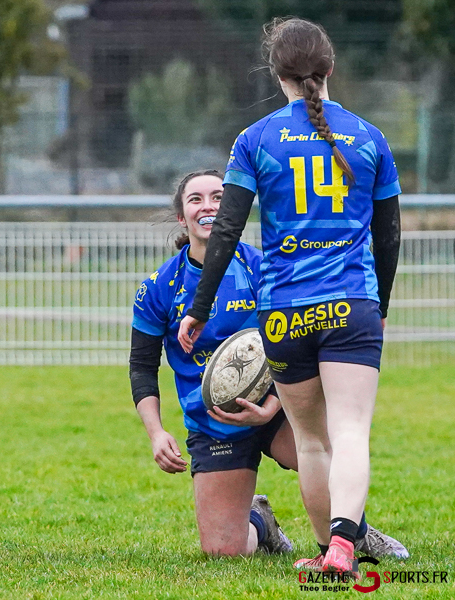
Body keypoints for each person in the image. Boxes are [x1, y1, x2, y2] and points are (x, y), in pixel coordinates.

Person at [177, 18, 404, 575]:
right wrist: (379, 306)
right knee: (349, 431)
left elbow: (226, 230)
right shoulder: (369, 137)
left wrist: (198, 308)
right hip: (352, 303)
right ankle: (346, 547)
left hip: (284, 312)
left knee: (310, 441)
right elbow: (389, 235)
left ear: (276, 73)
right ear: (330, 70)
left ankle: (329, 551)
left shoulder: (255, 140)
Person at [132, 171, 407, 560]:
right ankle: (261, 522)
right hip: (215, 424)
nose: (208, 206)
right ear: (182, 216)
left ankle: (354, 534)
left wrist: (274, 405)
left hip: (280, 403)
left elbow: (296, 347)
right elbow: (141, 366)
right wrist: (157, 433)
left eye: (218, 197)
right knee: (223, 551)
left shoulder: (265, 269)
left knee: (326, 454)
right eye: (195, 199)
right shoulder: (159, 287)